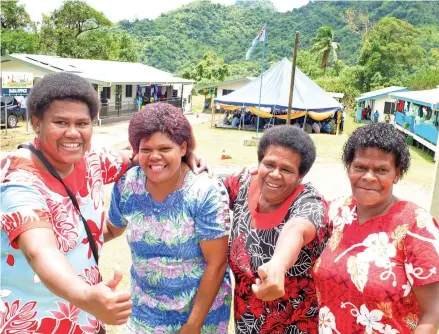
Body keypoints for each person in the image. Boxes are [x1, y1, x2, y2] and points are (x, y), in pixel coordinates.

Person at [255, 123, 439, 333]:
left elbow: (432, 312)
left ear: (397, 173)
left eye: (381, 170)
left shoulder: (416, 226)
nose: (369, 177)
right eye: (360, 167)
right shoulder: (336, 212)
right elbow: (298, 226)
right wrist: (278, 264)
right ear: (349, 168)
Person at [0, 72, 133, 333]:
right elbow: (39, 250)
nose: (73, 133)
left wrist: (188, 154)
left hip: (86, 321)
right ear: (36, 123)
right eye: (60, 122)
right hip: (32, 322)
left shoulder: (93, 161)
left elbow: (140, 155)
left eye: (82, 123)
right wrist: (86, 296)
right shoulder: (17, 180)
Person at [105, 102, 231, 334]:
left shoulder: (204, 191)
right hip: (145, 313)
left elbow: (217, 263)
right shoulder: (128, 185)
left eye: (165, 149)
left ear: (183, 148)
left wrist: (193, 325)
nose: (155, 157)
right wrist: (68, 242)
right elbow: (112, 229)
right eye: (146, 149)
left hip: (199, 316)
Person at [220, 125, 329, 333]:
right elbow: (203, 186)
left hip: (296, 326)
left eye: (286, 169)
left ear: (300, 176)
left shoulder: (309, 201)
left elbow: (296, 228)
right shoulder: (243, 184)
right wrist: (188, 159)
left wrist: (278, 265)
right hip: (247, 325)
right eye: (269, 164)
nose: (275, 174)